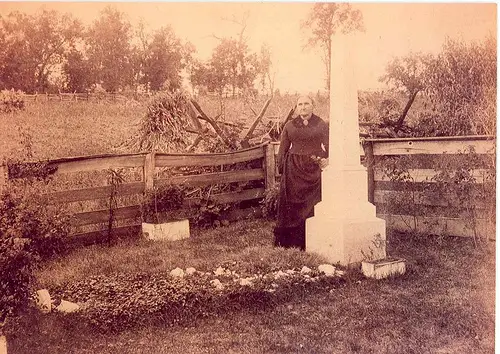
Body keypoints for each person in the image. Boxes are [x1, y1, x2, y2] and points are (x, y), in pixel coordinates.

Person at [274, 95, 329, 250]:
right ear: (296, 107)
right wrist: (282, 169)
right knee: (291, 204)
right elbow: (283, 149)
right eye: (300, 104)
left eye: (306, 103)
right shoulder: (290, 126)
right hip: (293, 169)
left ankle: (312, 239)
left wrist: (324, 158)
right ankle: (291, 241)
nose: (303, 107)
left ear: (313, 105)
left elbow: (329, 145)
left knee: (313, 203)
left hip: (313, 169)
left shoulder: (321, 125)